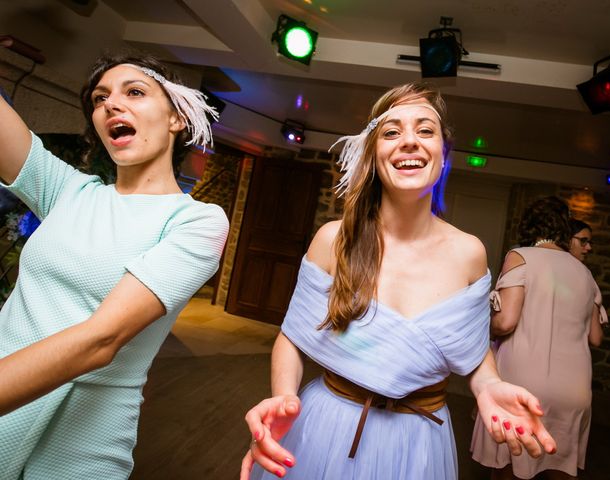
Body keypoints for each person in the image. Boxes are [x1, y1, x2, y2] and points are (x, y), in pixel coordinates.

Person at [240, 82, 556, 480]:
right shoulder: (334, 240)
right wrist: (284, 397)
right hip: (327, 425)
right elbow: (292, 336)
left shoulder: (469, 253)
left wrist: (489, 386)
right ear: (374, 154)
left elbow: (475, 353)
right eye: (391, 132)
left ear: (444, 154)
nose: (409, 141)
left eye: (425, 130)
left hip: (418, 439)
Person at [0, 52, 229, 478]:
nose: (110, 104)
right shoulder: (69, 191)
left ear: (177, 118)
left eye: (134, 92)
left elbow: (100, 339)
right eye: (100, 98)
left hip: (82, 440)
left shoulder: (196, 221)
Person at [470, 196, 606, 479]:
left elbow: (506, 321)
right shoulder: (585, 273)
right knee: (556, 466)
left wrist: (482, 322)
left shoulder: (520, 256)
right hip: (575, 390)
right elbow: (596, 338)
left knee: (508, 466)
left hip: (525, 384)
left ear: (530, 226)